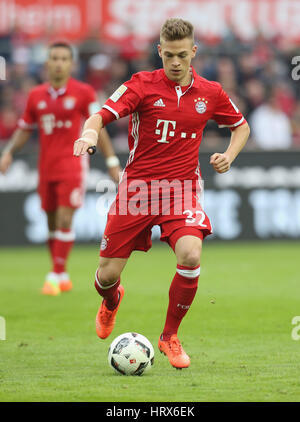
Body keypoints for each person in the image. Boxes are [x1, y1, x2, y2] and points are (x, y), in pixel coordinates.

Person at [73, 19, 250, 369]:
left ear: (193, 52)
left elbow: (241, 126)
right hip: (137, 190)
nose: (175, 62)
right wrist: (89, 135)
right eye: (169, 55)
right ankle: (111, 300)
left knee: (190, 253)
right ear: (160, 52)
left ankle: (169, 335)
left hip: (180, 190)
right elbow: (99, 116)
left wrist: (229, 155)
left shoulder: (211, 92)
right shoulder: (141, 85)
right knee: (106, 275)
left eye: (182, 55)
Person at [0, 42, 121, 296]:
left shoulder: (84, 92)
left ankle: (56, 274)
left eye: (64, 58)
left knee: (66, 218)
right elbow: (24, 129)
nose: (58, 63)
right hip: (46, 167)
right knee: (52, 221)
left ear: (71, 64)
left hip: (73, 165)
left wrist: (111, 162)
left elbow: (97, 126)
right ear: (47, 63)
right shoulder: (36, 96)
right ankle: (61, 274)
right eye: (54, 58)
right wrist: (9, 152)